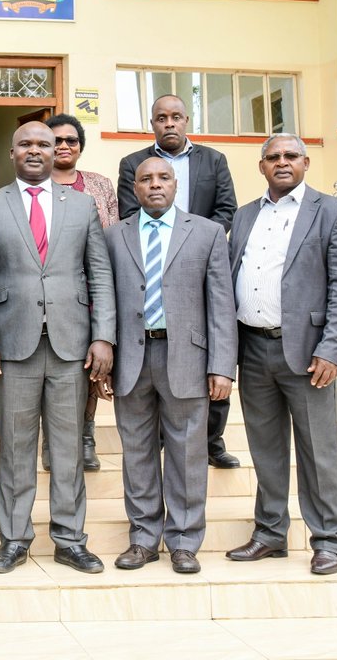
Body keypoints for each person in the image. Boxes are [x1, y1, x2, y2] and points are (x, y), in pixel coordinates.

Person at [0, 122, 115, 575]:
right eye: (26, 145)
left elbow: (100, 274)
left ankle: (70, 539)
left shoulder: (84, 205)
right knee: (15, 448)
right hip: (12, 348)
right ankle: (14, 539)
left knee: (68, 449)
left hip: (72, 346)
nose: (35, 151)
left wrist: (103, 335)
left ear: (58, 153)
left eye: (44, 145)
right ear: (12, 153)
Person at [226, 135, 337, 575]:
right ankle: (270, 533)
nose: (282, 162)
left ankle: (328, 539)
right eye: (273, 157)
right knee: (266, 448)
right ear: (261, 166)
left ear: (305, 162)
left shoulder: (332, 211)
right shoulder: (245, 216)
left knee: (318, 449)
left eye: (290, 156)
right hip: (254, 347)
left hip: (307, 353)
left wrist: (331, 348)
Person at [100, 157, 237, 575]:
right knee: (137, 451)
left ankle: (183, 541)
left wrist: (222, 366)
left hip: (188, 359)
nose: (154, 185)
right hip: (131, 358)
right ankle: (143, 539)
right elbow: (104, 298)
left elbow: (221, 304)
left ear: (176, 184)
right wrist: (103, 355)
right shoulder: (113, 235)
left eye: (163, 178)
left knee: (186, 453)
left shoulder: (208, 233)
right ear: (135, 188)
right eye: (146, 179)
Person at [116, 94, 240, 470]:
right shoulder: (132, 163)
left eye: (175, 117)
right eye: (160, 118)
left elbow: (226, 208)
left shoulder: (213, 160)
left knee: (205, 351)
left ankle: (212, 441)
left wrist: (196, 242)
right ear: (151, 123)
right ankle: (158, 439)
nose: (168, 123)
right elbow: (128, 211)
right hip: (150, 266)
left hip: (200, 264)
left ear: (187, 120)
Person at [45, 112, 119, 471]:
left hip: (94, 289)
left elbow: (114, 235)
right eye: (56, 140)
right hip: (51, 292)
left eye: (70, 140)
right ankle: (51, 440)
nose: (63, 146)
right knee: (53, 365)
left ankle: (86, 437)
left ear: (80, 146)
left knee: (92, 366)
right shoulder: (33, 184)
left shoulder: (100, 185)